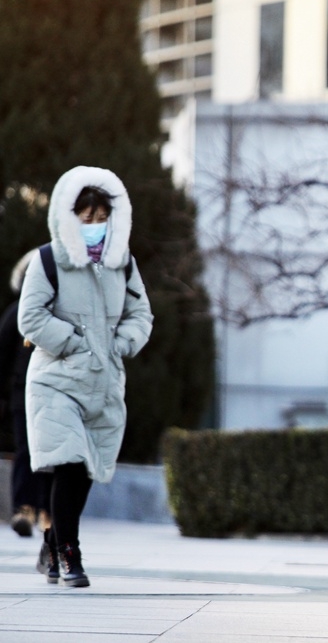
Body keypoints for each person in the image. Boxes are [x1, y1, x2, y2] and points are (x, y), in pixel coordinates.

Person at [18, 166, 153, 587]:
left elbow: (141, 315)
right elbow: (30, 318)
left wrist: (121, 344)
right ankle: (69, 554)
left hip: (104, 383)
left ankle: (51, 542)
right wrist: (76, 343)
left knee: (86, 470)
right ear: (68, 216)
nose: (94, 227)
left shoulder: (122, 264)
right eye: (85, 218)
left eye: (101, 218)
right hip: (55, 380)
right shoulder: (48, 260)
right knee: (71, 463)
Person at [1, 252, 52, 538]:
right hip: (24, 394)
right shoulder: (17, 313)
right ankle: (24, 509)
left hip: (54, 394)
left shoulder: (59, 311)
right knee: (26, 450)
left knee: (51, 455)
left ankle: (47, 510)